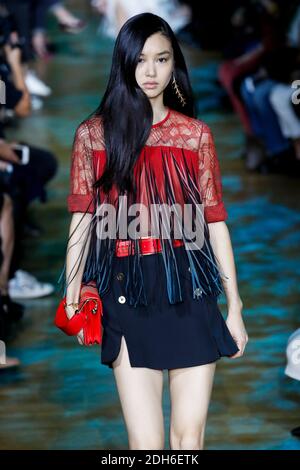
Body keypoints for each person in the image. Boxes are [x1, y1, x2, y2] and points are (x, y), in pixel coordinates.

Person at [59, 13, 248, 450]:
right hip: (126, 293)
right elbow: (83, 220)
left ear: (173, 65)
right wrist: (71, 297)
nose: (150, 71)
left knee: (189, 441)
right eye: (140, 59)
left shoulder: (194, 136)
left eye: (161, 59)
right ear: (123, 62)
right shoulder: (93, 136)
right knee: (145, 446)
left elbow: (215, 222)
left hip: (191, 292)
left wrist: (234, 306)